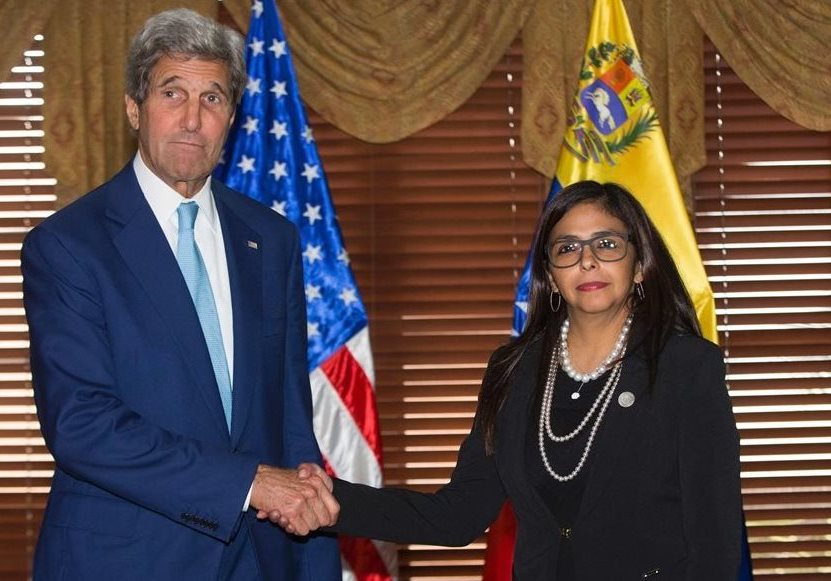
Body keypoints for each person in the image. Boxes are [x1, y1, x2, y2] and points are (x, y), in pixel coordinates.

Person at [22, 9, 340, 581]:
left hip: (262, 558)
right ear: (134, 108)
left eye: (212, 98)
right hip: (125, 561)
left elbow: (291, 417)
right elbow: (82, 424)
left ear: (231, 117)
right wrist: (246, 483)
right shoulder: (68, 244)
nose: (192, 119)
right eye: (173, 94)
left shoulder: (272, 239)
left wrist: (312, 552)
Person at [299, 180, 743, 579]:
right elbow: (457, 515)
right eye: (567, 249)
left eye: (607, 244)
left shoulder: (687, 367)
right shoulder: (513, 370)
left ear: (640, 264)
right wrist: (326, 499)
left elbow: (714, 537)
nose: (587, 261)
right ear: (550, 274)